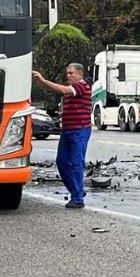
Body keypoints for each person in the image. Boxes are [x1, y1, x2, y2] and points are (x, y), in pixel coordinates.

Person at [33, 63, 92, 209]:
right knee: (62, 162)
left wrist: (43, 81)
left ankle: (78, 198)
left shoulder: (81, 86)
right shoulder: (71, 92)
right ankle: (77, 191)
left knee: (76, 163)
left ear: (79, 74)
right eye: (67, 73)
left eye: (71, 73)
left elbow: (63, 89)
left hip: (79, 130)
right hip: (67, 130)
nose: (68, 76)